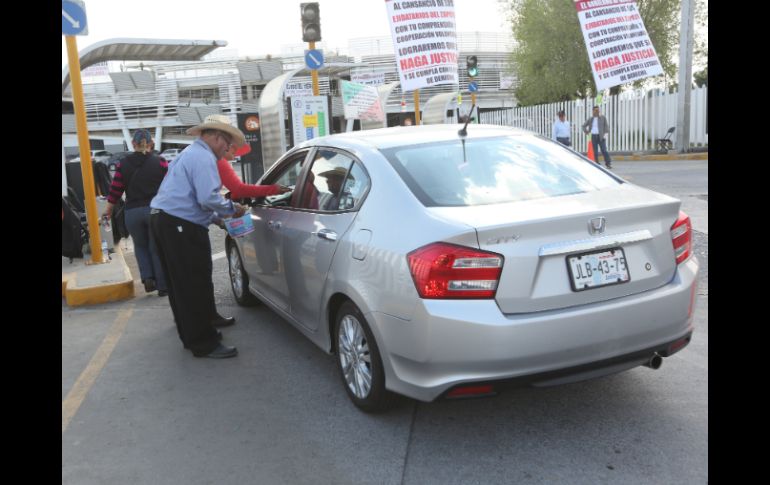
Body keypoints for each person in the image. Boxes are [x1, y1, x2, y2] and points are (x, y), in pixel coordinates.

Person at [149, 114, 248, 359]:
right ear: (215, 137)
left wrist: (218, 219)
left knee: (182, 282)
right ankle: (203, 342)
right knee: (192, 283)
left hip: (168, 220)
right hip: (179, 225)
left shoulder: (189, 153)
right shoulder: (203, 158)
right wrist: (231, 210)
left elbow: (193, 199)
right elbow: (207, 198)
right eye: (227, 143)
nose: (228, 148)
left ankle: (196, 329)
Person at [103, 129, 169, 296]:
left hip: (132, 213)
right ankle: (163, 285)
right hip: (155, 211)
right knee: (157, 246)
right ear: (151, 143)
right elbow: (171, 186)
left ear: (133, 144)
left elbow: (115, 192)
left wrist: (107, 211)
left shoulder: (122, 164)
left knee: (140, 246)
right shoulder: (161, 162)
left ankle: (148, 278)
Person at [217, 143, 291, 199]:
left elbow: (237, 190)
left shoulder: (214, 159)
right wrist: (274, 189)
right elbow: (240, 189)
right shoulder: (220, 161)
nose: (237, 150)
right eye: (233, 145)